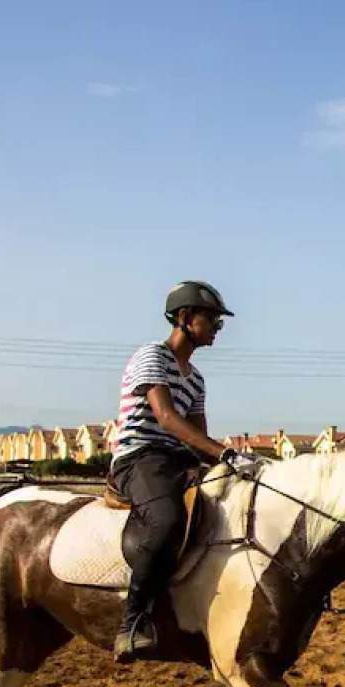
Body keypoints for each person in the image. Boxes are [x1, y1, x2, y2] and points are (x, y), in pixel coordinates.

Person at [111, 282, 257, 664]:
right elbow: (167, 418)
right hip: (139, 458)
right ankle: (133, 623)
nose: (216, 328)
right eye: (211, 319)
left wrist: (228, 466)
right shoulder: (151, 356)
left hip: (177, 461)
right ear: (183, 318)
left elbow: (197, 437)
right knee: (167, 520)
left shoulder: (196, 379)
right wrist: (226, 452)